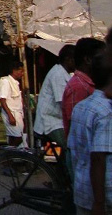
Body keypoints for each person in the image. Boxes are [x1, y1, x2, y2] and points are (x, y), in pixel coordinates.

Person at [66, 53, 112, 215]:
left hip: (83, 192)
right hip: (103, 197)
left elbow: (74, 150)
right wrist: (99, 203)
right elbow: (98, 158)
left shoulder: (81, 107)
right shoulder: (106, 111)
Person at [33, 44, 74, 150]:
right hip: (50, 122)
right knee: (71, 146)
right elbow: (63, 103)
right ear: (68, 59)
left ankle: (63, 166)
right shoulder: (58, 74)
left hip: (56, 120)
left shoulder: (64, 74)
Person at [63, 37, 107, 137]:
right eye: (101, 58)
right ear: (88, 60)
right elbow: (75, 129)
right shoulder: (79, 87)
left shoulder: (86, 84)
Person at [0, 61, 26, 147]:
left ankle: (11, 157)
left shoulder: (16, 83)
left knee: (15, 138)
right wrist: (10, 115)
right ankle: (8, 155)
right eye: (21, 71)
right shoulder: (6, 81)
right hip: (11, 113)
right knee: (17, 138)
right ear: (14, 70)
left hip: (18, 114)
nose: (22, 74)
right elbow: (2, 100)